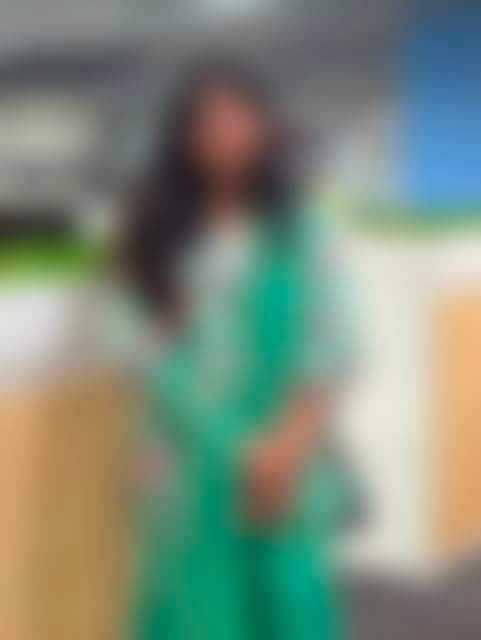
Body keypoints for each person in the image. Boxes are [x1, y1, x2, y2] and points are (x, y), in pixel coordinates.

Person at [123, 58, 356, 640]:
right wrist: (234, 448)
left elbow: (332, 344)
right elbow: (145, 353)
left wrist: (285, 448)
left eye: (240, 118)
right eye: (208, 123)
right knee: (196, 611)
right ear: (183, 137)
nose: (226, 136)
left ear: (265, 127)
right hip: (186, 462)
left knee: (288, 602)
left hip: (286, 457)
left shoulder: (301, 230)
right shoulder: (155, 237)